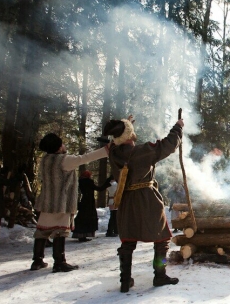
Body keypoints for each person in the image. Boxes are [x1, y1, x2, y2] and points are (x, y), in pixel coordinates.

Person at [103, 115, 182, 293]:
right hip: (147, 199)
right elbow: (168, 144)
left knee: (128, 241)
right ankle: (160, 275)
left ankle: (125, 280)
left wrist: (126, 125)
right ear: (130, 135)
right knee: (162, 239)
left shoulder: (113, 153)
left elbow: (115, 143)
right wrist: (177, 127)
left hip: (126, 201)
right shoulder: (143, 151)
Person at [31, 133, 110, 272]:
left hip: (46, 202)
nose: (64, 146)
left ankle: (37, 261)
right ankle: (59, 262)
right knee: (60, 232)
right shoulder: (64, 160)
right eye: (62, 144)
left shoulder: (45, 160)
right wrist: (108, 148)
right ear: (58, 147)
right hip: (61, 203)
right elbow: (87, 157)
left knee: (42, 232)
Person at [71, 171, 111, 242]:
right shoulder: (89, 182)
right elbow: (99, 189)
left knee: (82, 217)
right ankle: (84, 235)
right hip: (89, 202)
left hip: (83, 202)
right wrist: (107, 182)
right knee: (88, 218)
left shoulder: (80, 182)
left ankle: (81, 235)